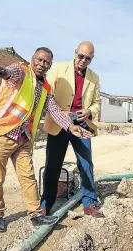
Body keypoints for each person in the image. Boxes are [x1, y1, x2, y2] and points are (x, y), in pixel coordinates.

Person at [0, 47, 92, 232]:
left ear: (50, 65)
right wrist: (3, 72)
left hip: (23, 137)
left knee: (28, 177)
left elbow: (55, 111)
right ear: (32, 59)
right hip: (2, 132)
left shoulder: (45, 87)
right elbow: (11, 73)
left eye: (46, 62)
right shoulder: (22, 71)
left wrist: (70, 126)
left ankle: (35, 215)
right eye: (39, 60)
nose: (42, 64)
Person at [41, 41, 104, 218]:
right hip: (59, 123)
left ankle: (89, 202)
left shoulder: (95, 77)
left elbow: (97, 102)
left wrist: (90, 111)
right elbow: (48, 94)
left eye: (88, 58)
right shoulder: (59, 70)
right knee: (53, 164)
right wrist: (61, 114)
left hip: (82, 124)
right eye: (80, 56)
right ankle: (46, 203)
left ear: (92, 59)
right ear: (75, 52)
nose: (83, 60)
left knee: (86, 164)